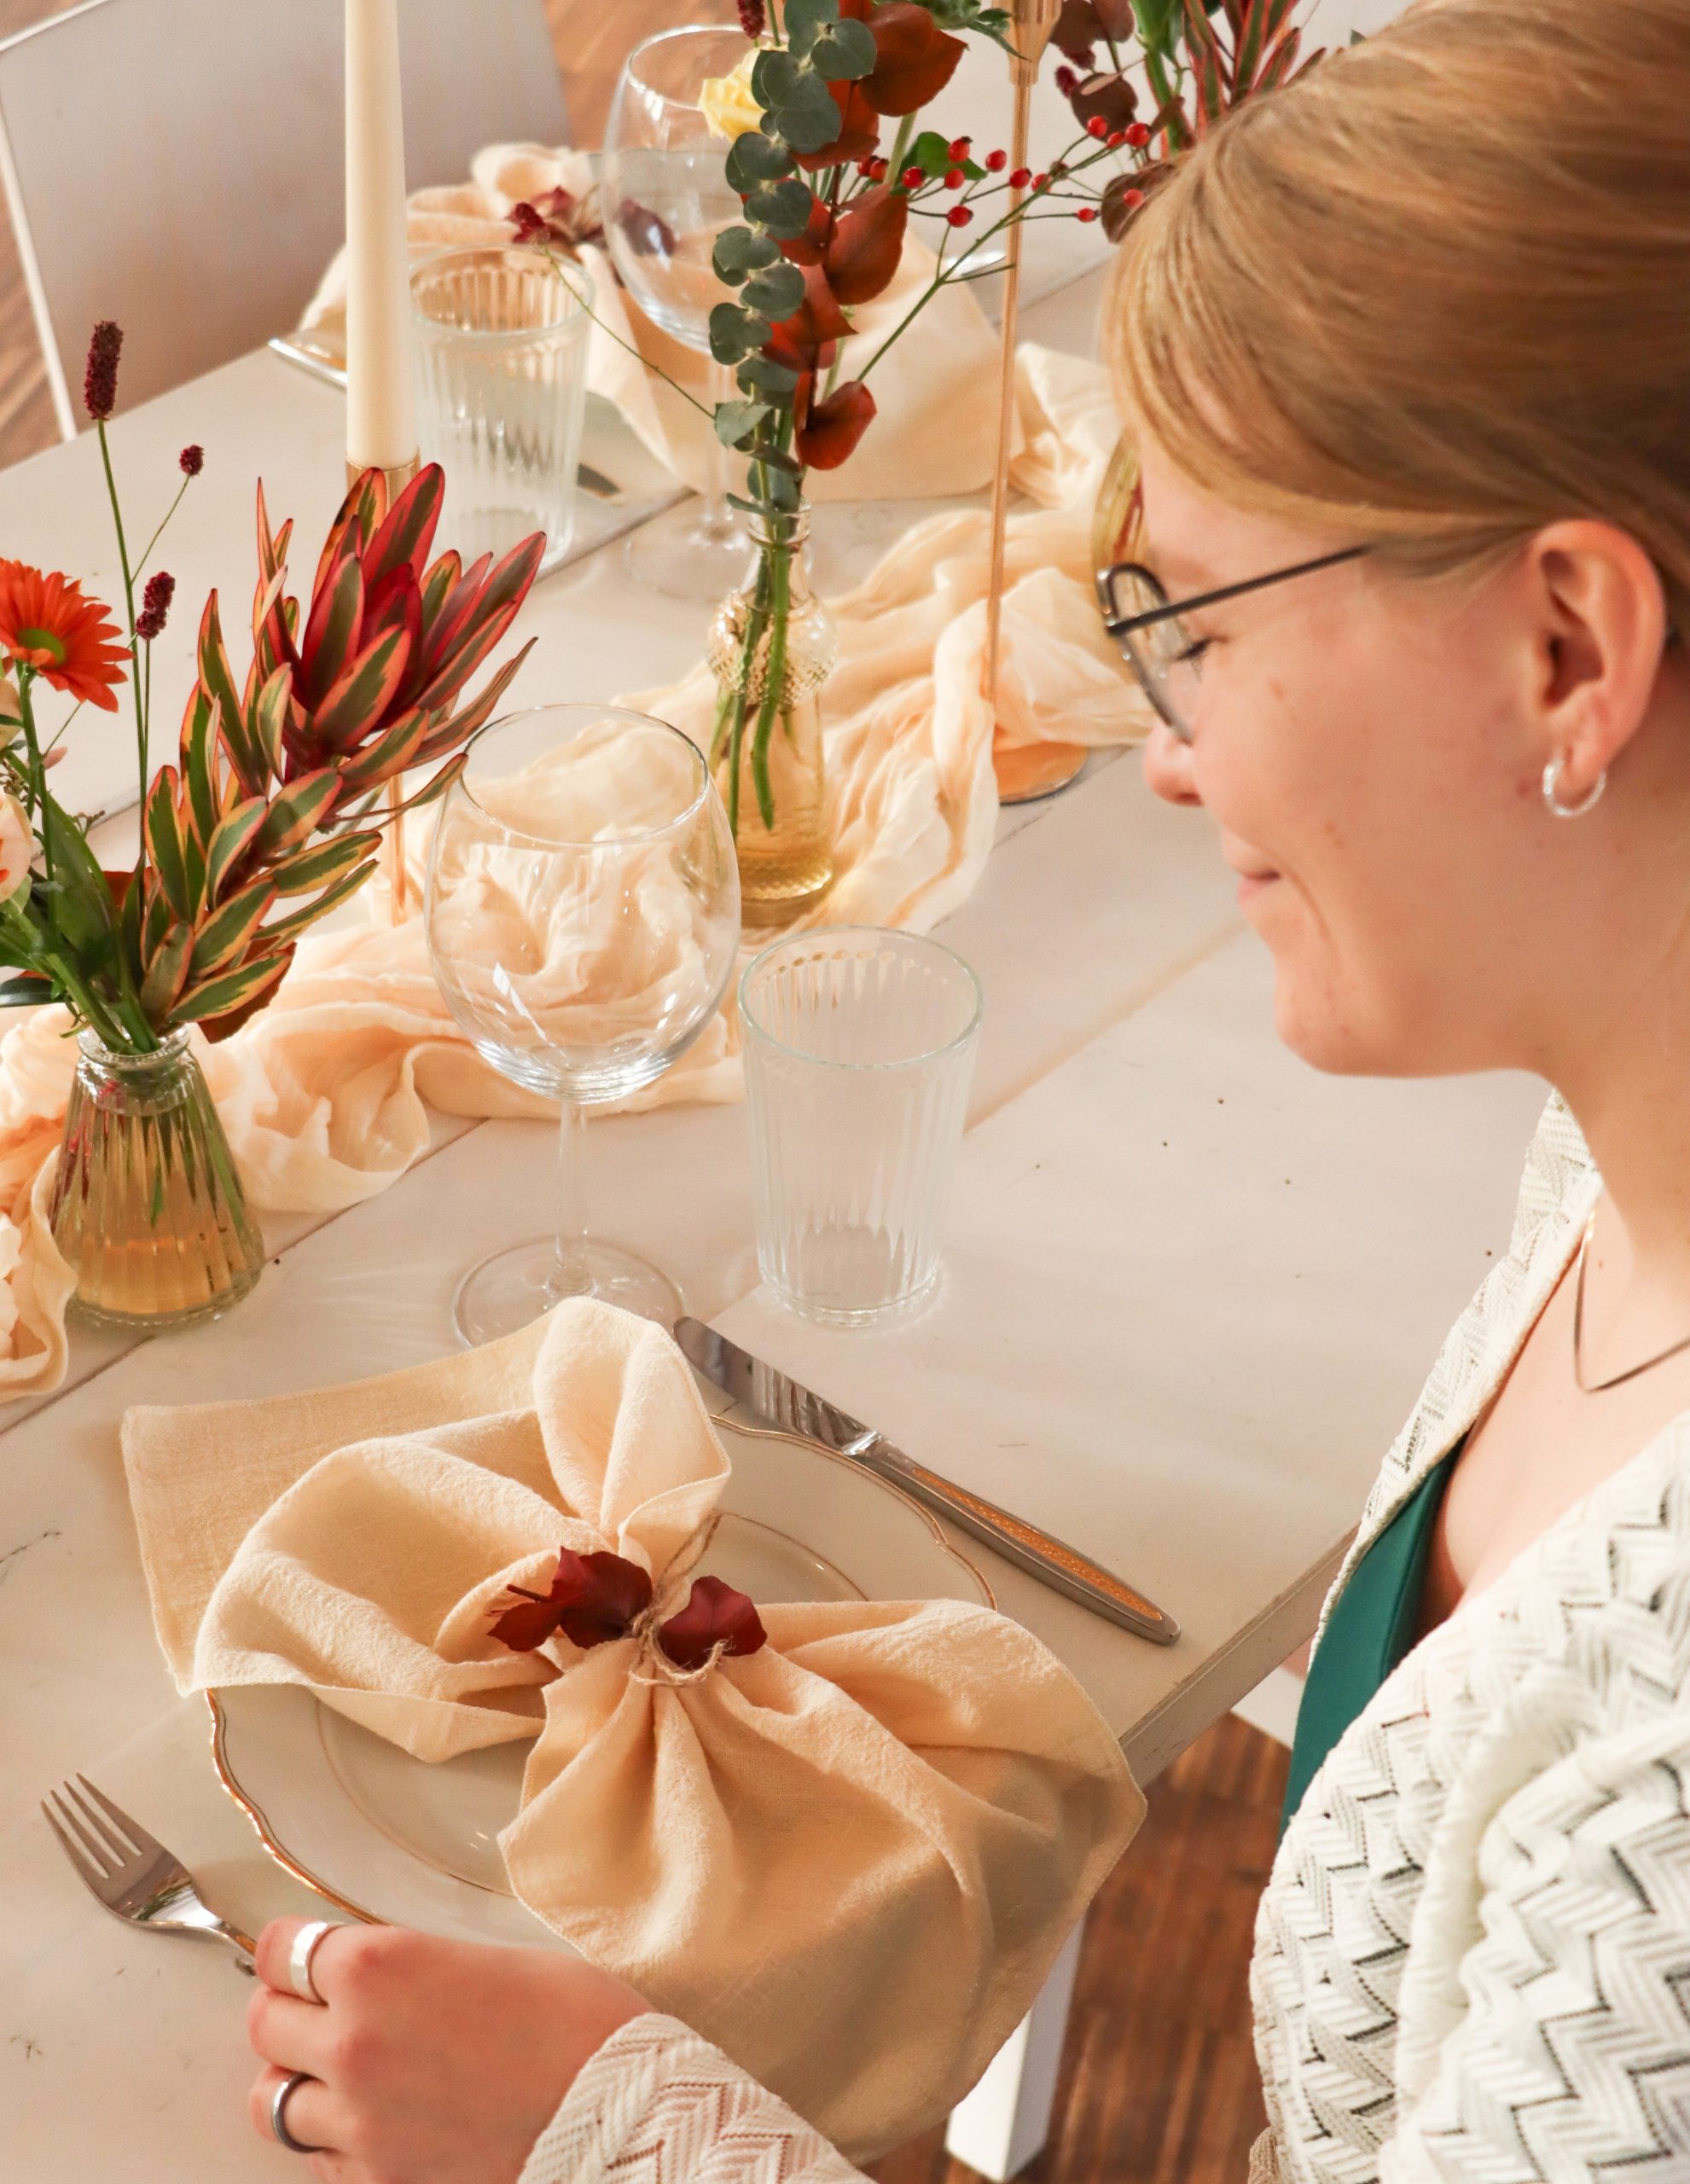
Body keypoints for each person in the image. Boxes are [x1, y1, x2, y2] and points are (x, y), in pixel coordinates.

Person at [244, 0, 1690, 2175]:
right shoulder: (1615, 1134)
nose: (1168, 739)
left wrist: (624, 2140)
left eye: (1194, 614)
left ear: (1568, 649)